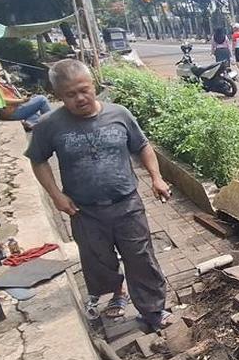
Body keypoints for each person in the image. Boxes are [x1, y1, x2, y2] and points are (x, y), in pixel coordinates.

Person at [24, 60, 174, 330]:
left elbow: (142, 146)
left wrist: (156, 177)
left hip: (126, 203)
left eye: (84, 90)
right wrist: (56, 195)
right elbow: (38, 160)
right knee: (98, 259)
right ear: (59, 95)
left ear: (93, 85)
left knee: (140, 257)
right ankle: (117, 293)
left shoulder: (119, 114)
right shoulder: (50, 125)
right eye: (70, 94)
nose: (80, 98)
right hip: (84, 211)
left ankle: (153, 310)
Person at [0, 63, 50, 130]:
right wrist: (21, 101)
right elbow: (2, 100)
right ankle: (51, 123)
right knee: (42, 99)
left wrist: (24, 98)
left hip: (14, 108)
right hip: (12, 111)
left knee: (34, 106)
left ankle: (31, 123)